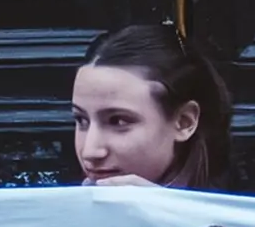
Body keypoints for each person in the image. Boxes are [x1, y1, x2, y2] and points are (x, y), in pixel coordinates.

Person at [74, 23, 233, 188]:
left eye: (119, 121)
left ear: (184, 122)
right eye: (81, 120)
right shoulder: (64, 210)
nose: (90, 151)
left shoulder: (245, 211)